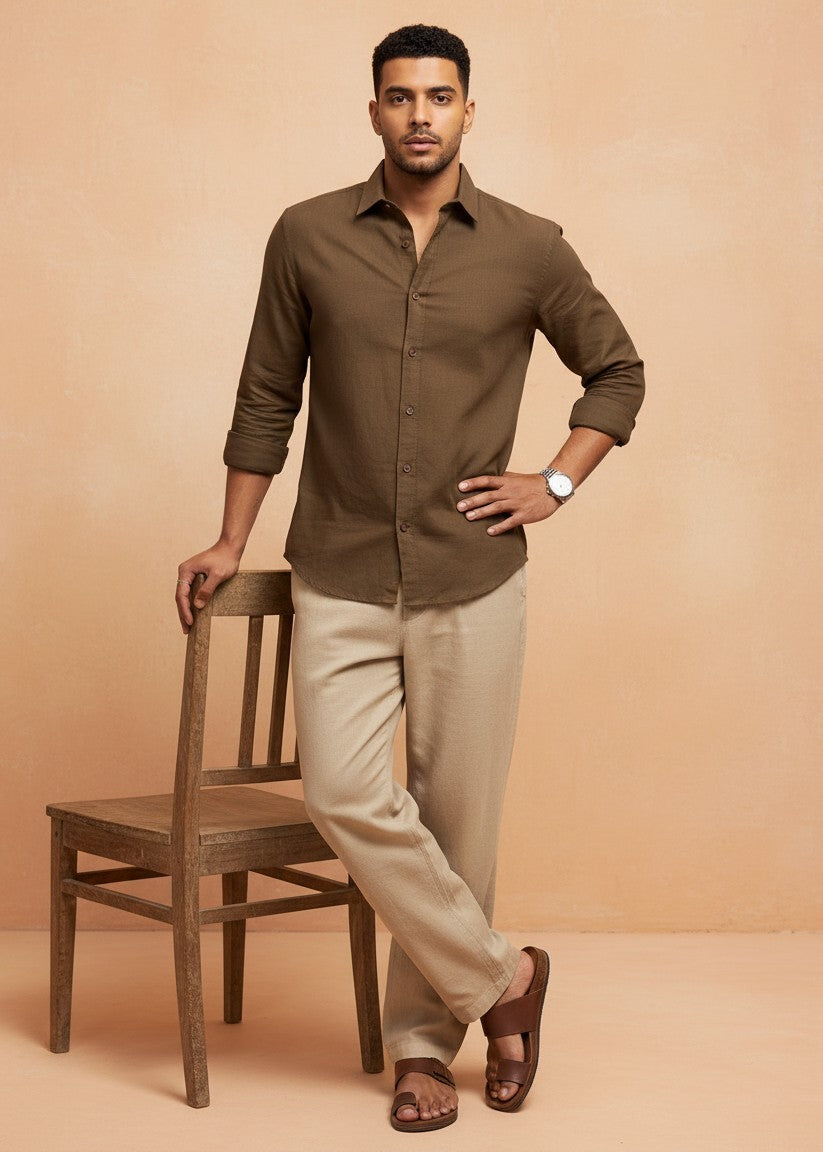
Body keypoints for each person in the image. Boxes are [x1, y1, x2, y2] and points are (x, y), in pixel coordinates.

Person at [175, 23, 644, 1132]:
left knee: (457, 821)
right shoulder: (306, 236)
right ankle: (505, 980)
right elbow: (265, 397)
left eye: (439, 96)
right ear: (374, 110)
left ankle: (424, 1052)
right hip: (338, 567)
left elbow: (616, 372)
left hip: (472, 575)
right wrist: (232, 539)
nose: (420, 114)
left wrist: (554, 484)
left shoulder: (529, 247)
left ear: (469, 110)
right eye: (400, 96)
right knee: (344, 793)